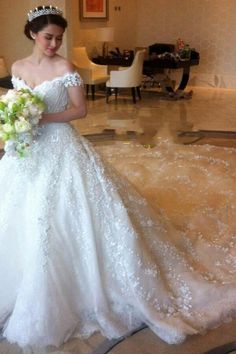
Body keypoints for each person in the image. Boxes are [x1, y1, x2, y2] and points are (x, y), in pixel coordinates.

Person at [1, 4, 236, 352]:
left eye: (59, 39)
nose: (54, 44)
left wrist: (42, 119)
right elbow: (11, 105)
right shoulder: (18, 68)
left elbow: (80, 109)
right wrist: (12, 130)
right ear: (33, 34)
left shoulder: (65, 67)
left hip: (60, 145)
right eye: (49, 38)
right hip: (28, 150)